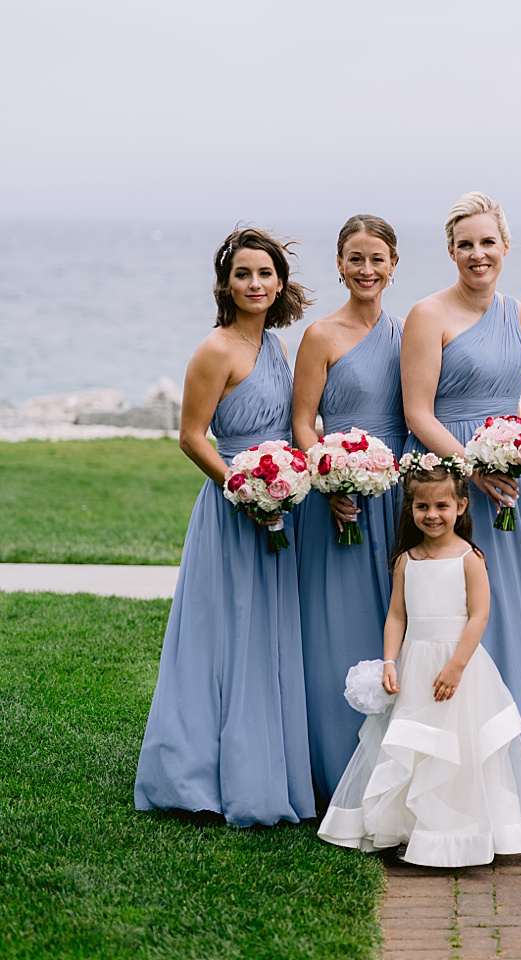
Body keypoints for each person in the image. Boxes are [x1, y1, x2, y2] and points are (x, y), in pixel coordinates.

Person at [135, 227, 315, 827]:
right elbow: (191, 436)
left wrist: (287, 487)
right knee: (220, 635)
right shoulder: (215, 349)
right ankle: (192, 776)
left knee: (265, 636)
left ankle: (260, 765)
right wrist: (244, 490)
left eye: (266, 274)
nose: (256, 284)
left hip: (281, 504)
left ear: (281, 283)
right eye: (244, 274)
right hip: (232, 506)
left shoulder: (279, 348)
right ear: (226, 284)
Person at [317, 461, 521, 866]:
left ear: (461, 506)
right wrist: (390, 661)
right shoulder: (406, 561)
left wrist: (457, 666)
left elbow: (479, 615)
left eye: (442, 505)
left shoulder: (469, 558)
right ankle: (413, 828)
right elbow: (396, 616)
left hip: (458, 667)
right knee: (417, 747)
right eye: (422, 507)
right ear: (411, 509)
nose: (432, 515)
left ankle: (459, 833)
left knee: (458, 748)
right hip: (416, 665)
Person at [400, 192, 521, 761]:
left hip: (508, 479)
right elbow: (417, 412)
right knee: (450, 612)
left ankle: (510, 759)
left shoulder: (517, 313)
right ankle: (447, 756)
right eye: (466, 245)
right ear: (450, 251)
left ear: (505, 247)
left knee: (507, 606)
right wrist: (470, 471)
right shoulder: (428, 314)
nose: (477, 254)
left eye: (488, 243)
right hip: (451, 478)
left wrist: (518, 458)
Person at [292, 215, 407, 805]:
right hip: (335, 503)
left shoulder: (406, 333)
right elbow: (302, 423)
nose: (366, 270)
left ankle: (385, 773)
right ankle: (332, 772)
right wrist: (329, 476)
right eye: (355, 259)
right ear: (339, 265)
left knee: (386, 627)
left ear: (394, 265)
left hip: (392, 502)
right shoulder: (321, 336)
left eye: (377, 259)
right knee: (334, 630)